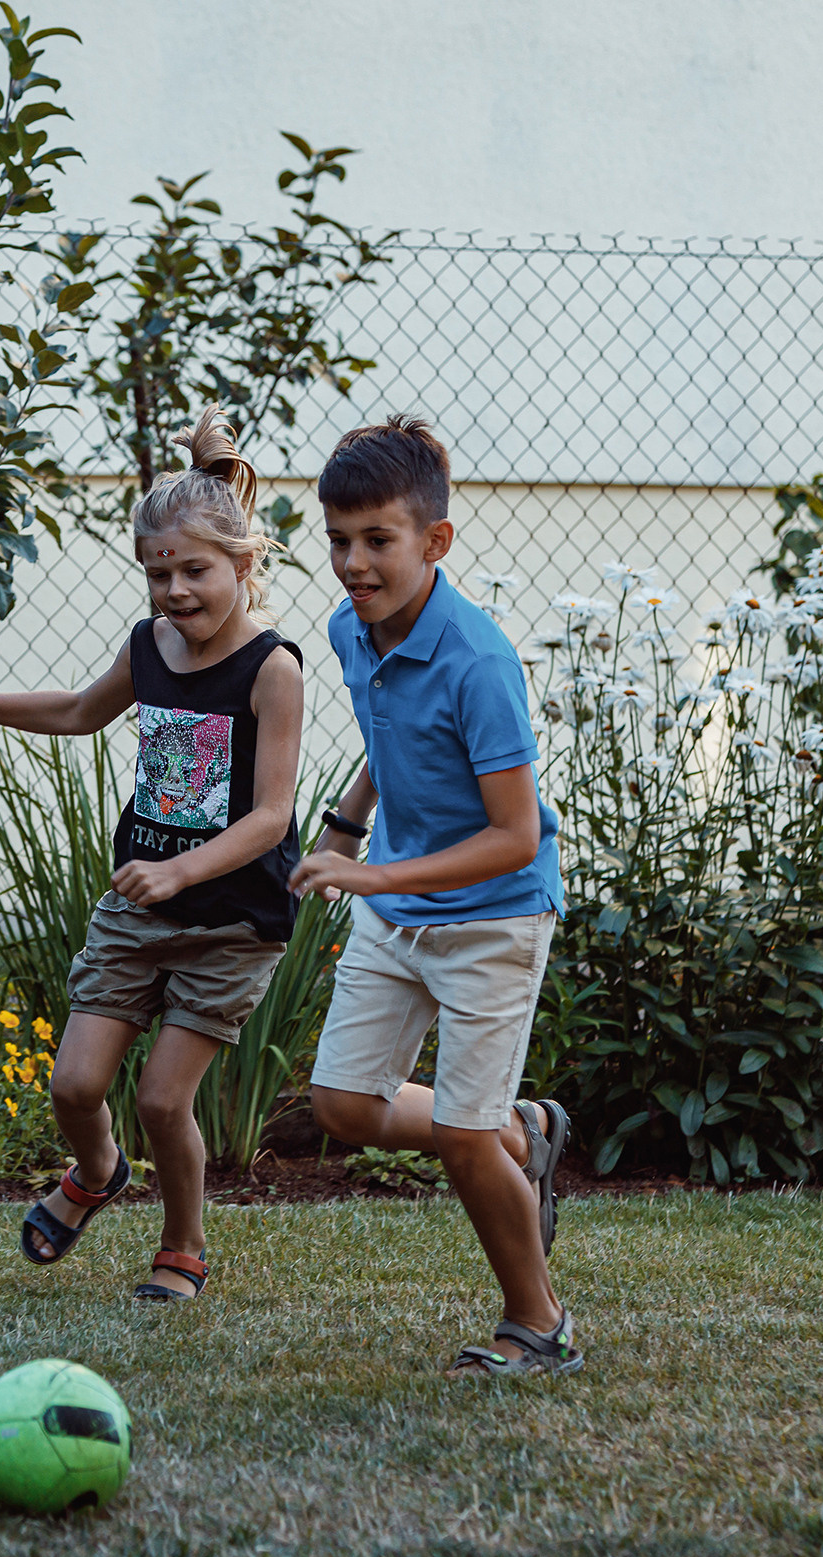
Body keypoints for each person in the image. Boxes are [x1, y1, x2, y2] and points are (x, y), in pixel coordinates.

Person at [0, 406, 306, 1303]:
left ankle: (184, 1243)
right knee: (76, 1083)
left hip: (231, 921)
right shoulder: (149, 646)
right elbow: (81, 712)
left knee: (165, 1097)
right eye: (158, 573)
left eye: (195, 570)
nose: (175, 593)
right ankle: (96, 1171)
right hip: (141, 910)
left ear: (243, 565)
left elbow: (273, 815)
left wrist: (182, 869)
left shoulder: (273, 668)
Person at [287, 413, 578, 1375]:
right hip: (398, 907)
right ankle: (518, 1130)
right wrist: (348, 819)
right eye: (338, 540)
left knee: (457, 1137)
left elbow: (514, 834)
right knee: (343, 1102)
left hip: (494, 916)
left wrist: (369, 873)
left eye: (378, 541)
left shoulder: (480, 662)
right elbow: (391, 734)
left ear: (435, 542)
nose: (353, 564)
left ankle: (538, 1323)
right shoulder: (352, 627)